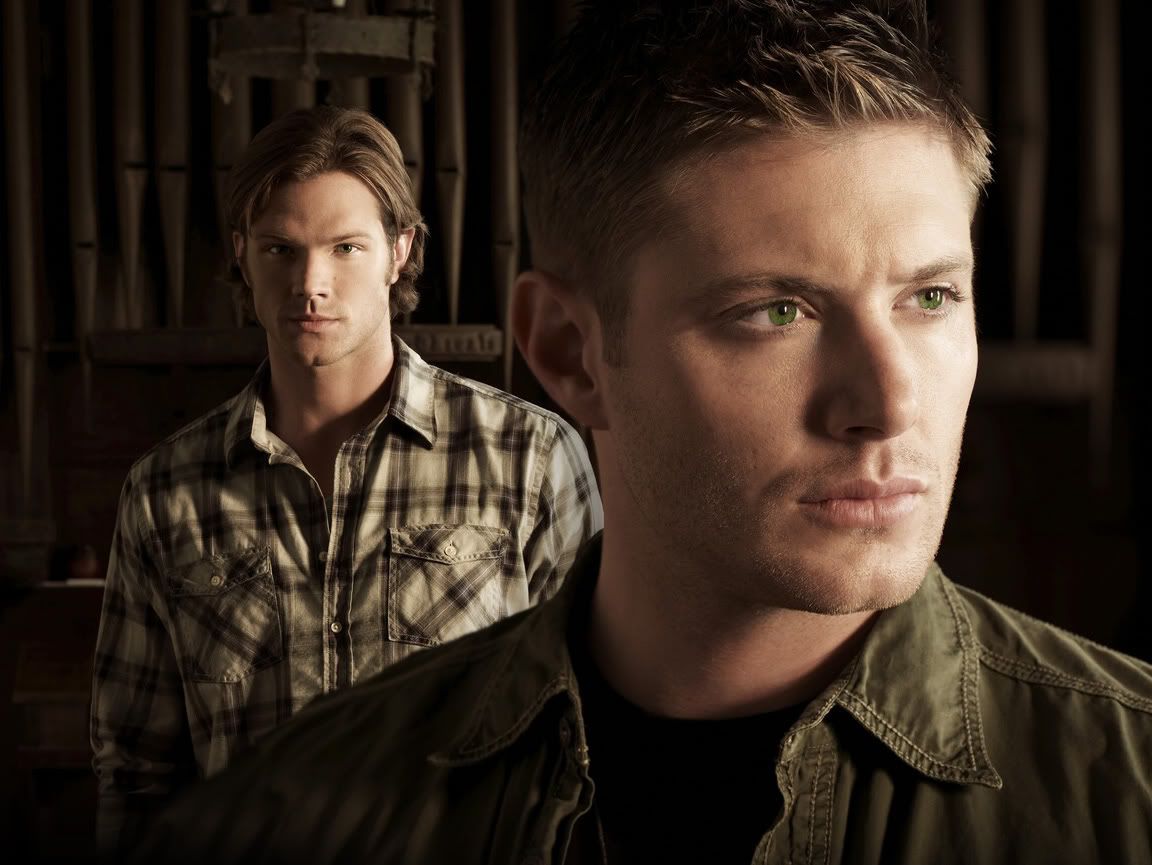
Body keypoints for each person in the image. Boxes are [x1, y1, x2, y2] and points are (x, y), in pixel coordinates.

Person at [132, 3, 1152, 863]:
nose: (889, 403)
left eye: (930, 297)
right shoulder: (300, 814)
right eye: (778, 311)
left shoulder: (1130, 786)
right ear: (572, 352)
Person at [90, 106, 602, 854]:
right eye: (281, 249)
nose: (311, 284)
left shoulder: (531, 457)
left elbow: (595, 739)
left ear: (400, 251)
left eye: (346, 248)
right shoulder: (164, 492)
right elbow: (135, 775)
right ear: (241, 254)